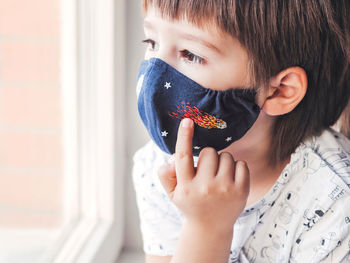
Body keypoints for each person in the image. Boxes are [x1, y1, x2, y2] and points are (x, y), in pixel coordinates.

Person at [132, 0, 350, 262]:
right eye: (152, 43)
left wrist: (207, 229)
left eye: (191, 54)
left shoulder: (335, 208)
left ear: (279, 91)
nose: (156, 74)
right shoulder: (159, 168)